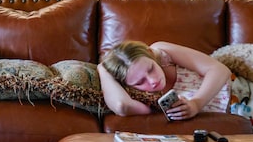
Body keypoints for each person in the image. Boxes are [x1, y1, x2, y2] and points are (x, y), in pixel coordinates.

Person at [98, 40, 231, 119]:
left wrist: (196, 104)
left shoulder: (162, 53)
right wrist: (103, 70)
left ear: (150, 54)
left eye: (151, 69)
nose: (152, 81)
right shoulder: (140, 97)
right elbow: (122, 106)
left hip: (239, 95)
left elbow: (219, 70)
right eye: (140, 82)